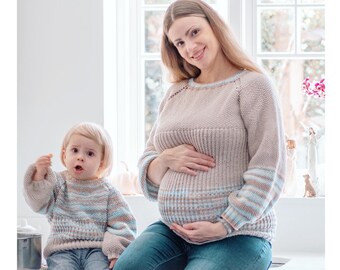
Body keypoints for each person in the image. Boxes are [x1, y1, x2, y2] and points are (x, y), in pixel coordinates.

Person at [115, 0, 286, 269]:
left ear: (214, 26)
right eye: (179, 43)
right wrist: (164, 161)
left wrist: (224, 225)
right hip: (173, 231)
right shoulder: (176, 93)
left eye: (194, 33)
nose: (190, 47)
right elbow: (147, 166)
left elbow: (269, 169)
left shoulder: (252, 86)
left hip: (238, 234)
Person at [23, 122, 136, 270]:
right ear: (64, 154)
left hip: (96, 250)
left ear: (101, 162)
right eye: (75, 150)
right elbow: (39, 204)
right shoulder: (58, 183)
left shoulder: (108, 191)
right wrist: (39, 175)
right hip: (61, 250)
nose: (80, 157)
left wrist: (115, 252)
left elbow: (122, 223)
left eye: (90, 153)